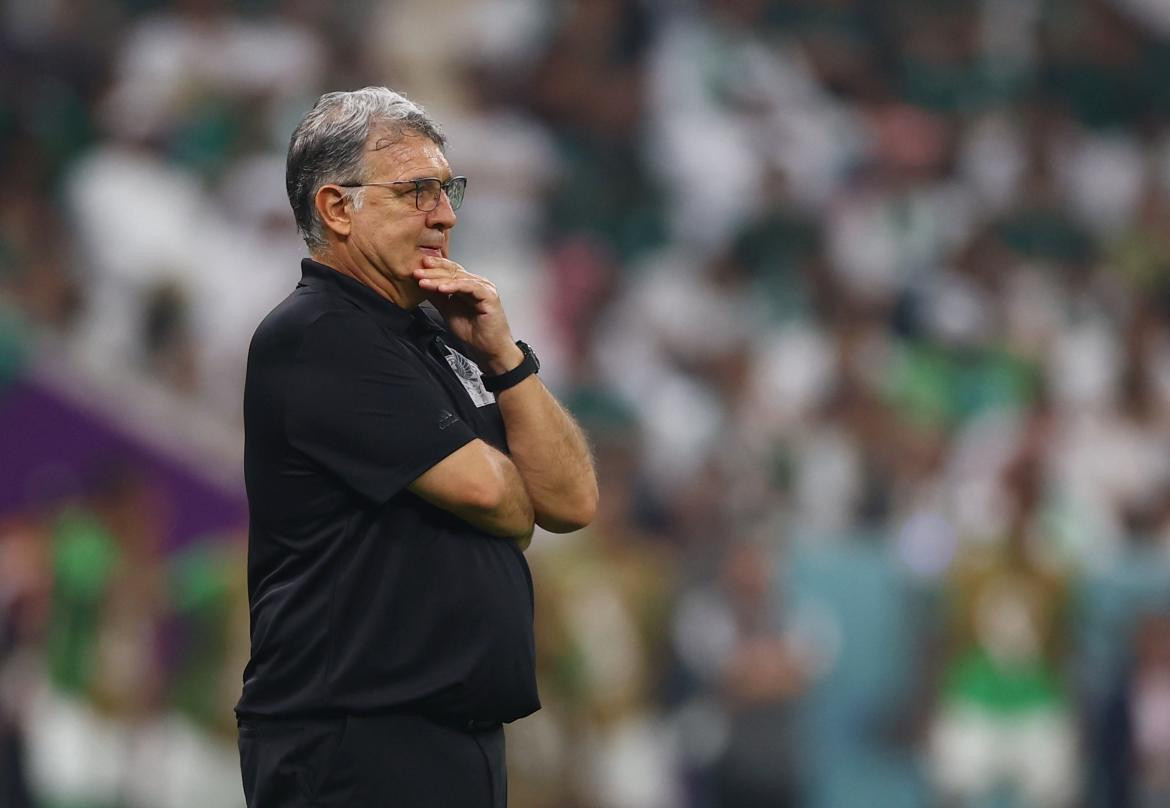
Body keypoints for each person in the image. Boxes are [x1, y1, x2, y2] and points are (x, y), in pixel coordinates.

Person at [234, 86, 598, 808]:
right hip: (353, 740)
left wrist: (505, 356)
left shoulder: (438, 335)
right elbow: (494, 496)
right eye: (417, 191)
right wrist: (513, 496)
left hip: (448, 740)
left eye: (448, 188)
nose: (447, 214)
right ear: (338, 208)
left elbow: (572, 501)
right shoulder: (319, 333)